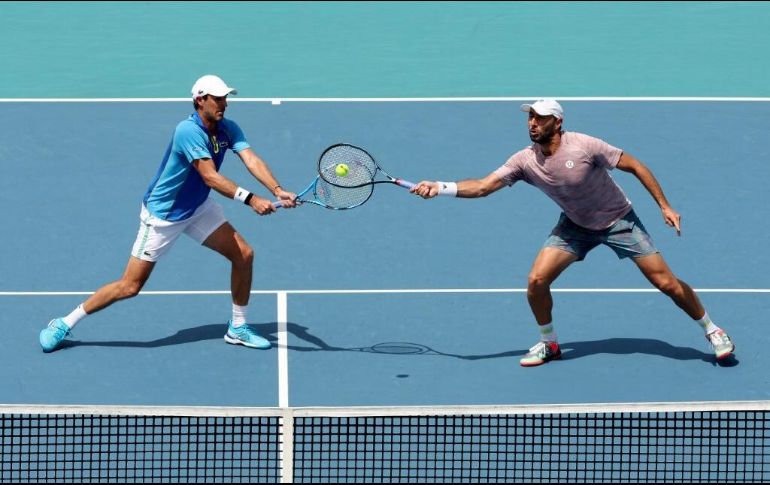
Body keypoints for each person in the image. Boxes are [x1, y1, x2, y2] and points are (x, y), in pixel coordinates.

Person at [410, 99, 735, 366]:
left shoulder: (584, 146)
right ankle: (550, 343)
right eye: (530, 117)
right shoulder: (524, 160)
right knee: (537, 281)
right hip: (575, 225)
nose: (532, 123)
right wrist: (441, 187)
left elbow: (635, 165)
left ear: (558, 122)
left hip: (619, 220)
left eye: (540, 118)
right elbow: (483, 186)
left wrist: (665, 206)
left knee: (666, 283)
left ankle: (713, 330)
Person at [39, 74, 297, 353]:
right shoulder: (188, 131)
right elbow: (210, 176)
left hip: (197, 208)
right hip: (164, 216)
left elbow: (251, 159)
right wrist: (251, 199)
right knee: (130, 286)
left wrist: (277, 189)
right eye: (218, 98)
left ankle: (238, 327)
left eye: (225, 98)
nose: (224, 104)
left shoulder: (228, 128)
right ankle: (64, 322)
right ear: (200, 100)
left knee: (244, 255)